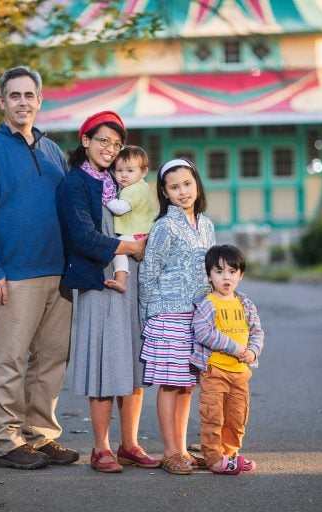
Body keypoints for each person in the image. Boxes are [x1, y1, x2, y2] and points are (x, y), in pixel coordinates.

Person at [0, 66, 78, 470]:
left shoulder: (52, 151)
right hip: (13, 274)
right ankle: (7, 443)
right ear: (2, 102)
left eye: (30, 95)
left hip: (58, 273)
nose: (23, 102)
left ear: (40, 101)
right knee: (9, 360)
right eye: (15, 95)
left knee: (50, 360)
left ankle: (39, 435)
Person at [56, 111, 158, 473]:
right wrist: (131, 249)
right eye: (103, 141)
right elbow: (82, 237)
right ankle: (100, 447)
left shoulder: (119, 182)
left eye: (116, 144)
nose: (111, 150)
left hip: (132, 283)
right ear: (85, 141)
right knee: (102, 363)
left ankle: (129, 443)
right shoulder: (74, 184)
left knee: (133, 361)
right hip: (98, 280)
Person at [138, 158, 215, 475]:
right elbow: (148, 273)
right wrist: (146, 318)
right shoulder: (164, 226)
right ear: (165, 193)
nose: (183, 191)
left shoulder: (207, 224)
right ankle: (170, 452)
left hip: (198, 316)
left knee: (187, 385)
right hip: (168, 314)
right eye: (174, 187)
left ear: (197, 184)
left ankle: (182, 448)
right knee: (170, 385)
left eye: (187, 184)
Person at [191, 244, 264, 474]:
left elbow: (257, 332)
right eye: (219, 272)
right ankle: (214, 458)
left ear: (240, 275)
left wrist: (252, 351)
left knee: (237, 416)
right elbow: (203, 332)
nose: (226, 277)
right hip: (215, 371)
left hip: (240, 373)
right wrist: (235, 348)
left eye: (232, 272)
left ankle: (230, 454)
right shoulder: (207, 304)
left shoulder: (245, 303)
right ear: (209, 276)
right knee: (213, 416)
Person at [104, 146, 157, 293]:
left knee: (119, 249)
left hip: (137, 234)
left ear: (143, 172)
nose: (123, 175)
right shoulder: (140, 186)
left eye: (130, 171)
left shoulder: (135, 189)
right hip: (142, 232)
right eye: (119, 171)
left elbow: (121, 208)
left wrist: (106, 199)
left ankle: (121, 280)